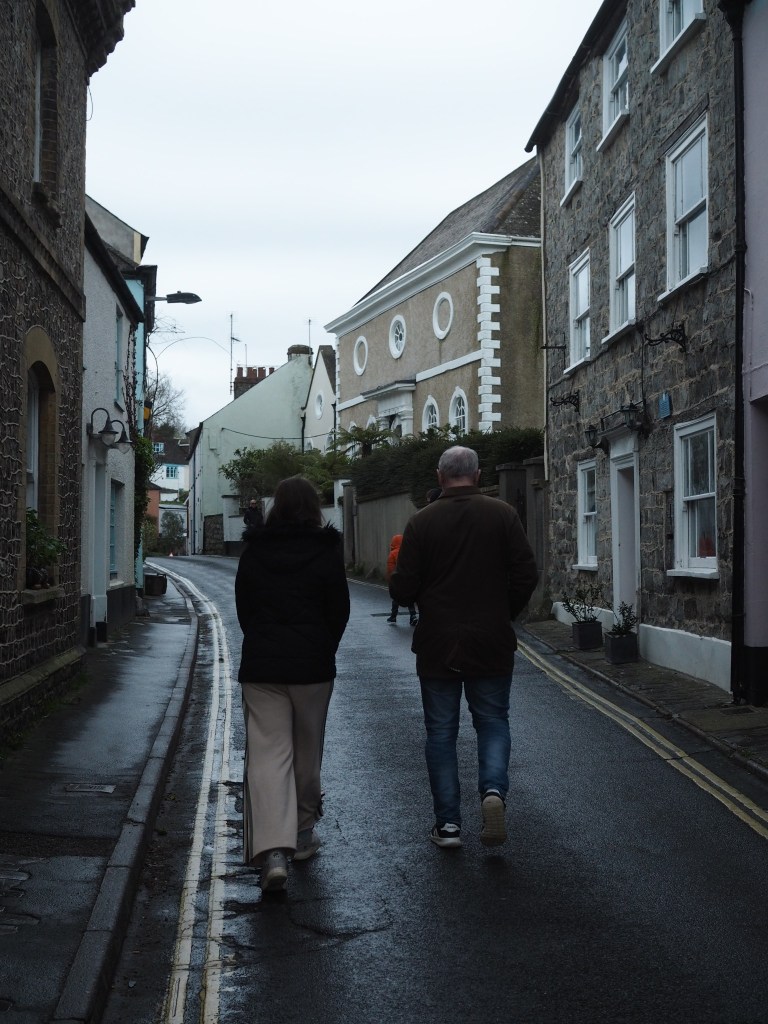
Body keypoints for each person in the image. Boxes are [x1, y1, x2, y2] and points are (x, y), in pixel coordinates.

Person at [389, 445, 538, 850]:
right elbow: (527, 572)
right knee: (492, 721)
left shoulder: (421, 522)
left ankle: (449, 826)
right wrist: (503, 611)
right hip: (491, 640)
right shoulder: (503, 514)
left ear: (440, 477)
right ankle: (492, 793)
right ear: (476, 474)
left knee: (441, 732)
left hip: (438, 643)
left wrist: (416, 594)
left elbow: (403, 589)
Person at [235, 476, 350, 891]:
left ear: (275, 506)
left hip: (262, 668)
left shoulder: (254, 549)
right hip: (313, 669)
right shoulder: (326, 549)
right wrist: (323, 648)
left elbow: (244, 610)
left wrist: (265, 643)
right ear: (314, 507)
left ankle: (273, 852)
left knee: (267, 756)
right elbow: (339, 610)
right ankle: (302, 834)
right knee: (307, 751)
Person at [385, 533, 418, 626]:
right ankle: (413, 616)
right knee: (410, 597)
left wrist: (390, 579)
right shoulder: (409, 551)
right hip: (409, 578)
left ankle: (393, 616)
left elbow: (390, 568)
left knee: (396, 597)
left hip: (398, 579)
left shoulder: (393, 553)